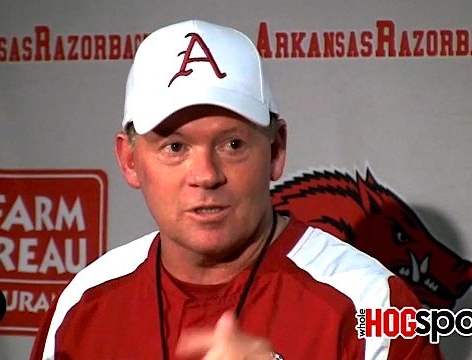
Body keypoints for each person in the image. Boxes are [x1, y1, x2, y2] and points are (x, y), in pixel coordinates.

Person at [30, 19, 442, 360]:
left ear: (276, 150)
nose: (206, 175)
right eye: (175, 147)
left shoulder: (372, 305)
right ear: (130, 160)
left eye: (233, 144)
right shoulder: (84, 304)